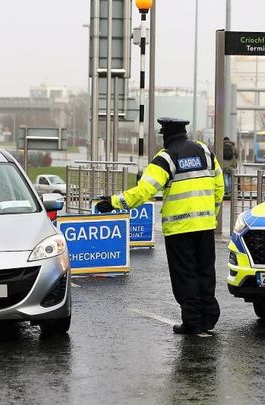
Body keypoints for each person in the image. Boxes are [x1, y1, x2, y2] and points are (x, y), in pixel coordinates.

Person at [96, 117, 224, 336]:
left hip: (179, 228)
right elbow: (219, 186)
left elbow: (144, 190)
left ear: (166, 135)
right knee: (205, 272)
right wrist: (211, 213)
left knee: (186, 275)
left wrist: (115, 202)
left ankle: (193, 322)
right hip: (204, 225)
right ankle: (208, 318)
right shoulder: (205, 151)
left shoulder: (165, 157)